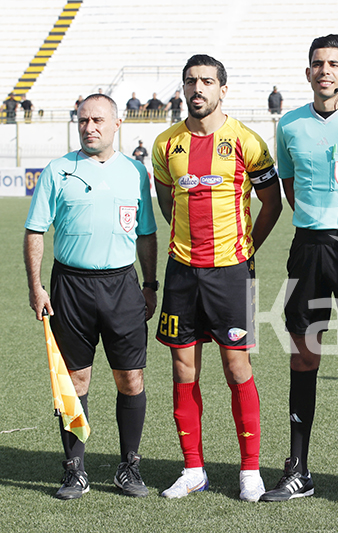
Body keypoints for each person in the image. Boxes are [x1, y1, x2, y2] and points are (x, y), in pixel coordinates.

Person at [259, 34, 338, 508]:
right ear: (308, 71)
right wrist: (317, 223)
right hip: (308, 248)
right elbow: (290, 185)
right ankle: (298, 469)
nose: (325, 71)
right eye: (318, 63)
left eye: (334, 64)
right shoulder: (290, 124)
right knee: (303, 357)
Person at [152, 54, 282, 502]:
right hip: (181, 272)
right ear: (183, 88)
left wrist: (246, 251)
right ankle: (193, 469)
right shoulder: (166, 144)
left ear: (223, 89)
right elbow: (166, 203)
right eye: (191, 81)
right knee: (183, 367)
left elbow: (272, 204)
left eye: (207, 81)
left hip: (230, 271)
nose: (198, 89)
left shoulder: (247, 141)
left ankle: (249, 471)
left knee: (236, 367)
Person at [23, 93, 158, 500]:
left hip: (122, 286)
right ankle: (74, 470)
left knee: (131, 378)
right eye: (83, 120)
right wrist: (36, 286)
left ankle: (129, 466)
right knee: (75, 380)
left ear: (117, 124)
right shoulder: (58, 170)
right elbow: (35, 231)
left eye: (98, 120)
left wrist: (150, 284)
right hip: (71, 287)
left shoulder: (135, 172)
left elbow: (146, 233)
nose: (89, 127)